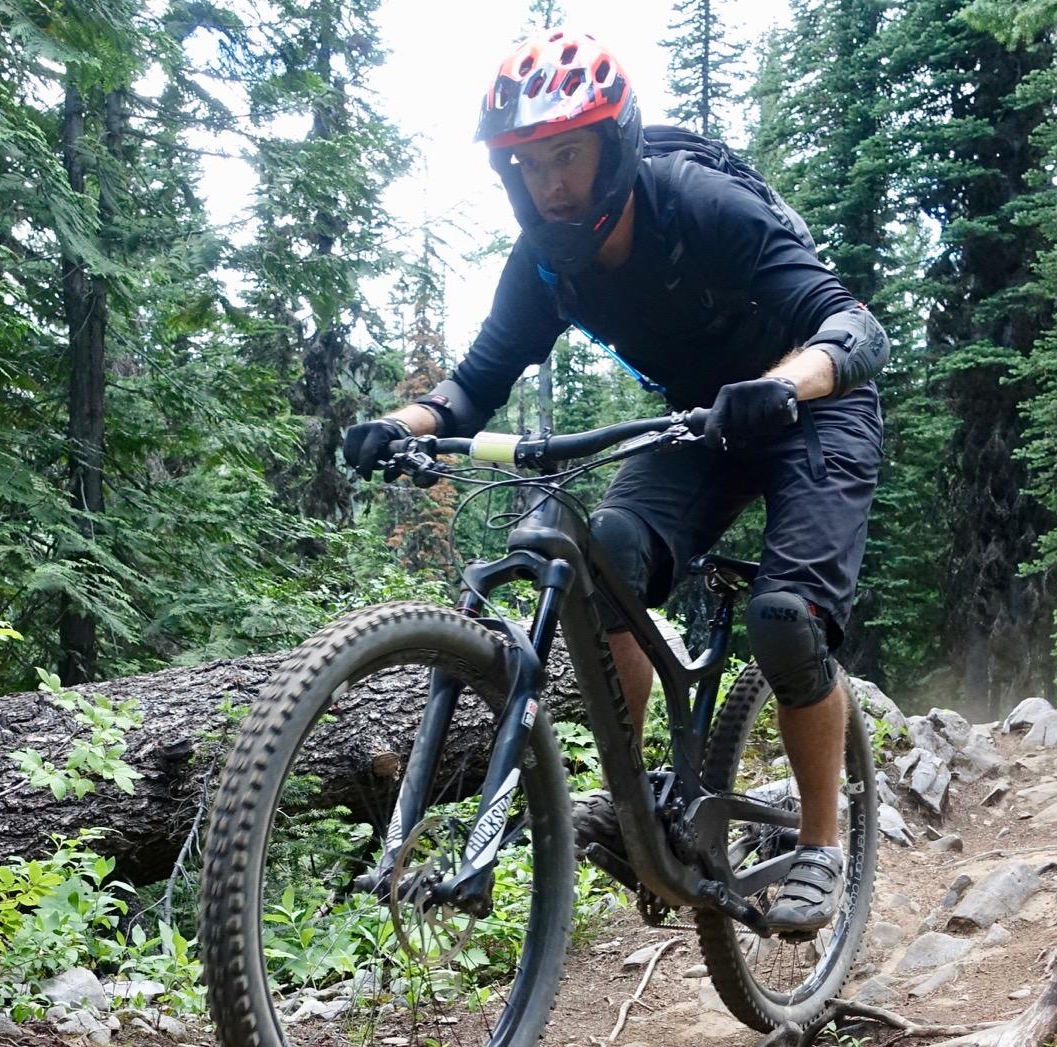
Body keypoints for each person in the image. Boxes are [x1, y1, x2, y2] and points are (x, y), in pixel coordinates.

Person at [341, 28, 888, 933]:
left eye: (568, 155)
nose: (550, 183)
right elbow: (474, 386)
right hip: (698, 422)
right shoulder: (547, 264)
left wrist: (784, 383)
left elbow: (853, 326)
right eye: (527, 163)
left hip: (816, 407)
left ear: (614, 146)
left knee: (786, 624)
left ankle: (823, 845)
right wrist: (402, 426)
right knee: (609, 563)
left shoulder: (702, 207)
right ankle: (641, 803)